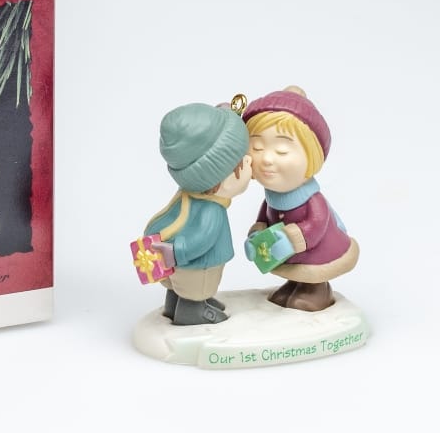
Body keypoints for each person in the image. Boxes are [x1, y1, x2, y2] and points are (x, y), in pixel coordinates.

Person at [243, 86, 359, 312]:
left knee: (311, 273)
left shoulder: (312, 200)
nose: (266, 159)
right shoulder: (272, 198)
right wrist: (257, 234)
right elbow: (264, 216)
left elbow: (316, 224)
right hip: (288, 252)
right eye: (257, 147)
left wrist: (290, 239)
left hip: (317, 250)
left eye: (282, 151)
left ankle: (316, 290)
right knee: (296, 273)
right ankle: (295, 285)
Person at [144, 102, 253, 325]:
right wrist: (177, 252)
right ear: (220, 179)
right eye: (242, 162)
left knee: (180, 288)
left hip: (176, 264)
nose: (250, 161)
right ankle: (192, 311)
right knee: (196, 289)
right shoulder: (212, 210)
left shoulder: (188, 194)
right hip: (197, 265)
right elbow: (202, 240)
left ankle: (174, 305)